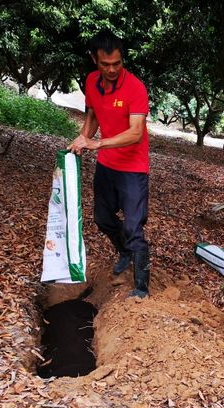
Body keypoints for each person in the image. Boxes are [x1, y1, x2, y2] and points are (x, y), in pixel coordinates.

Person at [68, 29, 150, 298]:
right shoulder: (91, 81)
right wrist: (82, 138)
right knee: (102, 219)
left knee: (133, 227)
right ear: (94, 60)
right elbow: (92, 115)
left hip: (133, 168)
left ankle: (141, 289)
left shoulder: (136, 88)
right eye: (106, 64)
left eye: (117, 63)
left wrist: (98, 143)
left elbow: (136, 131)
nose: (112, 69)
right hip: (107, 165)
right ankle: (125, 251)